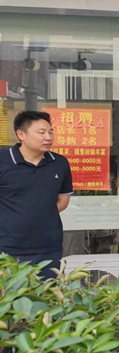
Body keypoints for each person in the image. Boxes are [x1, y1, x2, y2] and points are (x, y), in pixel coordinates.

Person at [0, 111, 73, 278]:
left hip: (49, 248)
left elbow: (63, 200)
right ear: (21, 134)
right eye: (41, 132)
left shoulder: (59, 163)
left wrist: (40, 213)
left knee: (47, 292)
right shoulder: (3, 161)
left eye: (50, 132)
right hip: (8, 248)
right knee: (11, 293)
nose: (48, 137)